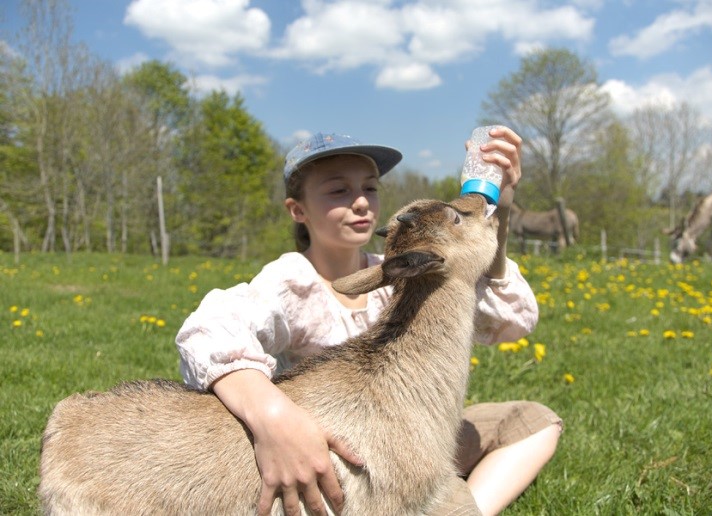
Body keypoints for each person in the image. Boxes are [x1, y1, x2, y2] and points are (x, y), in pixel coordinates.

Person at [176, 127, 562, 516]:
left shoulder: (403, 273)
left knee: (533, 422)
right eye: (338, 190)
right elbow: (205, 332)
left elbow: (511, 319)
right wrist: (275, 420)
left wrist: (502, 210)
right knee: (451, 502)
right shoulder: (292, 282)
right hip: (335, 452)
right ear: (298, 210)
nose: (360, 201)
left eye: (370, 188)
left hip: (414, 434)